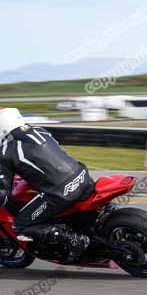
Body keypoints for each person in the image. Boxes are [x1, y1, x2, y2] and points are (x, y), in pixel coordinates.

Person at [0, 108, 95, 262]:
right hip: (82, 175)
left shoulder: (6, 151)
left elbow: (3, 191)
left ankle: (74, 240)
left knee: (20, 225)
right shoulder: (39, 130)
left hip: (60, 193)